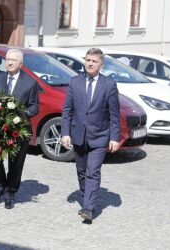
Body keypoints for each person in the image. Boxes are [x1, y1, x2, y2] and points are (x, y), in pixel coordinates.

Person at [61, 48, 120, 223]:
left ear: (101, 65)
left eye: (94, 61)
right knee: (81, 171)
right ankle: (86, 195)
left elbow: (114, 115)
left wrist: (114, 138)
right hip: (78, 135)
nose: (90, 63)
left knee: (92, 171)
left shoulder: (109, 84)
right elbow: (67, 110)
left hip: (100, 136)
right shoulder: (75, 82)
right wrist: (65, 133)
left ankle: (88, 207)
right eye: (88, 60)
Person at [0, 49, 39, 209]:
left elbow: (34, 106)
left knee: (16, 162)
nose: (9, 63)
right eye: (7, 59)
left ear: (21, 64)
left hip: (19, 128)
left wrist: (21, 114)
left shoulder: (30, 82)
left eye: (13, 60)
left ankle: (11, 192)